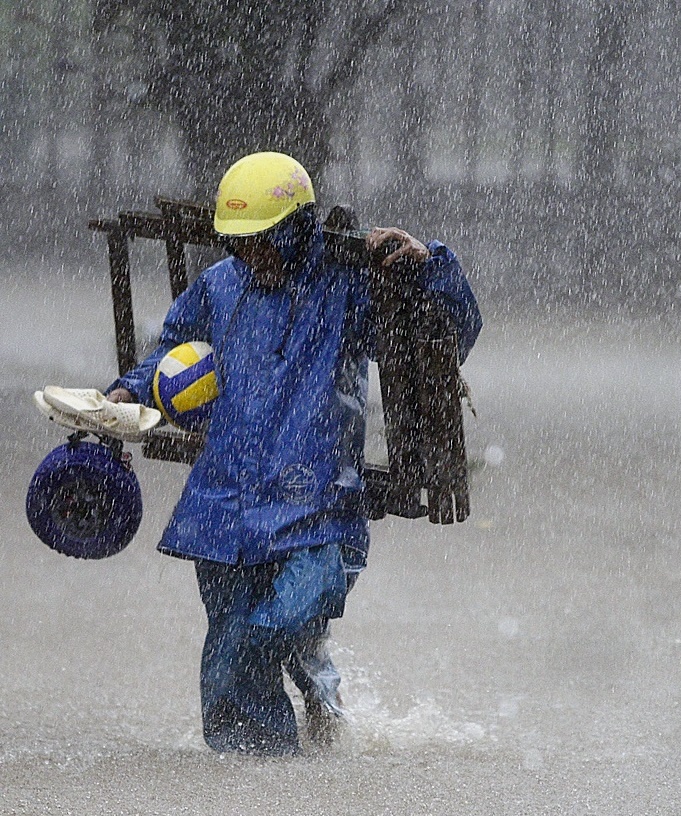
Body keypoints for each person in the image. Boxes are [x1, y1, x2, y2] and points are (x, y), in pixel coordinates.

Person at [107, 151, 482, 754]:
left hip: (316, 506)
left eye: (261, 242)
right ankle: (258, 776)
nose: (249, 256)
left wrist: (429, 265)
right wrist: (128, 388)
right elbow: (173, 350)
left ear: (294, 229)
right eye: (239, 244)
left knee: (279, 626)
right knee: (230, 646)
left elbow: (448, 331)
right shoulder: (221, 285)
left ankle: (299, 741)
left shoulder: (348, 286)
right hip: (223, 507)